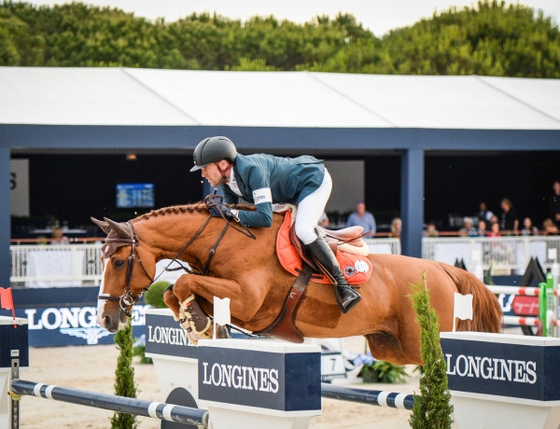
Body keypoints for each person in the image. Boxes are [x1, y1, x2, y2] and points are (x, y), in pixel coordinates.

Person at [190, 135, 361, 313]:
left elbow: (264, 219)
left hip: (312, 181)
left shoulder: (252, 170)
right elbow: (231, 219)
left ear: (223, 164)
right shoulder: (226, 181)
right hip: (286, 192)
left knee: (303, 230)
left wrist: (230, 212)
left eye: (205, 168)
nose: (203, 174)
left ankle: (344, 286)